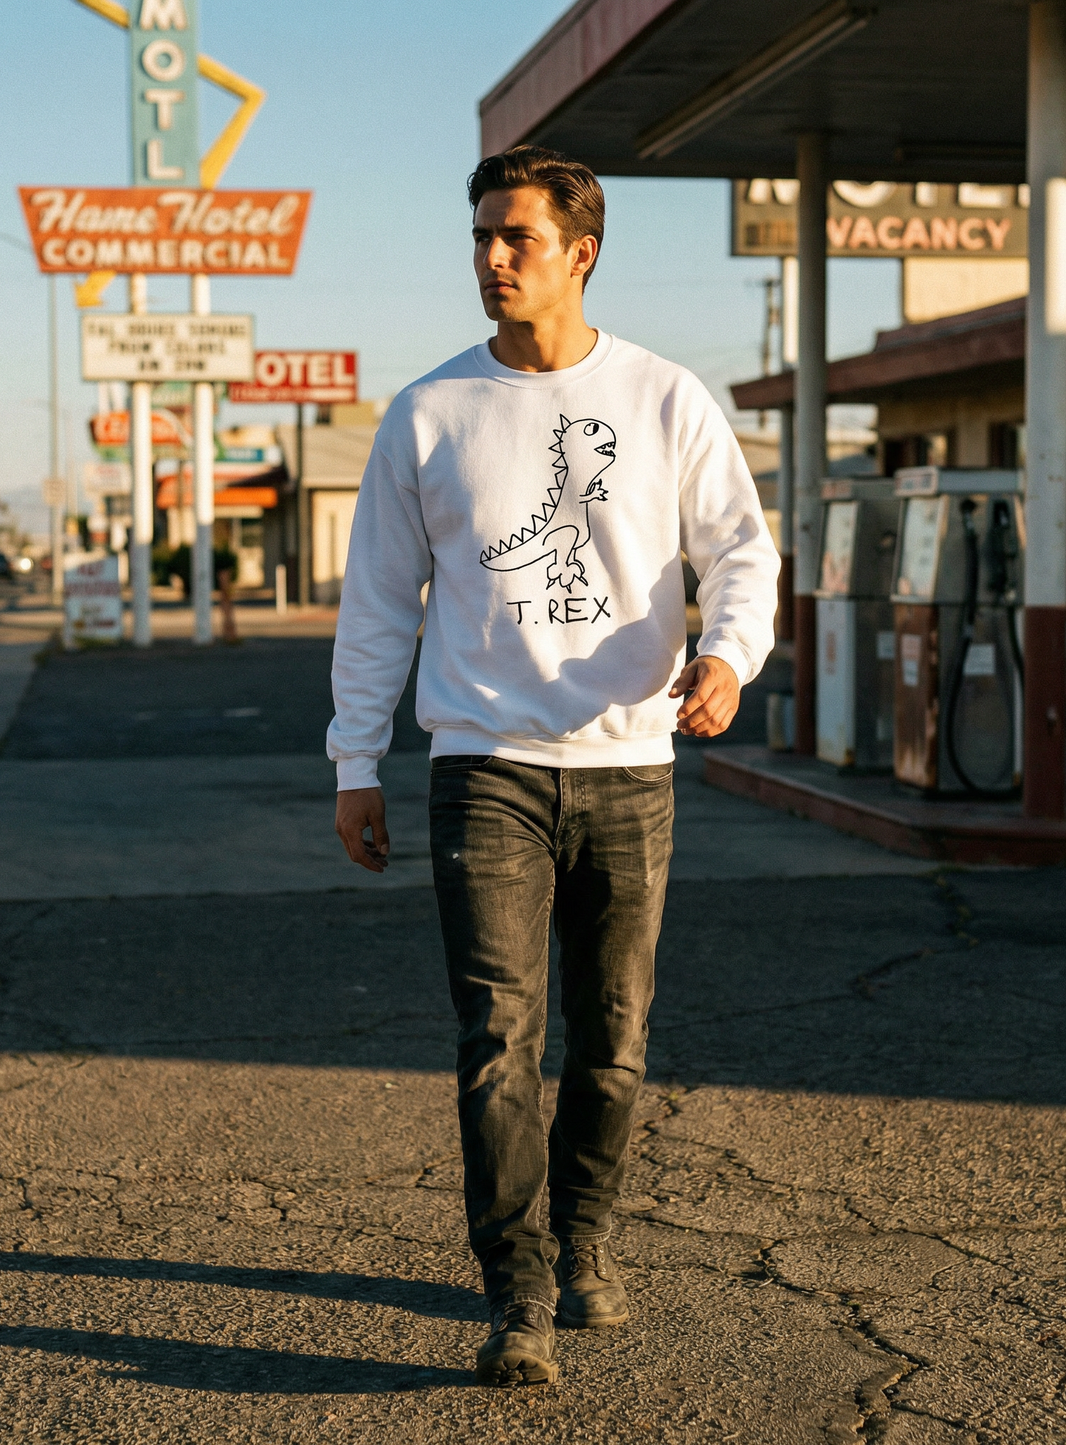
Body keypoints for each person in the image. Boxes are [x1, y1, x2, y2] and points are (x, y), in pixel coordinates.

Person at [329, 146, 778, 1387]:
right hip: (482, 764)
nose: (489, 258)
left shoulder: (663, 398)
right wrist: (351, 758)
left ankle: (586, 1241)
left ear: (579, 251)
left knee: (614, 1036)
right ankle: (514, 1285)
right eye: (480, 235)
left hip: (630, 763)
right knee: (496, 1034)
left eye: (515, 237)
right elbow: (375, 600)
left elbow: (740, 552)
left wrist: (730, 658)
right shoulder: (429, 412)